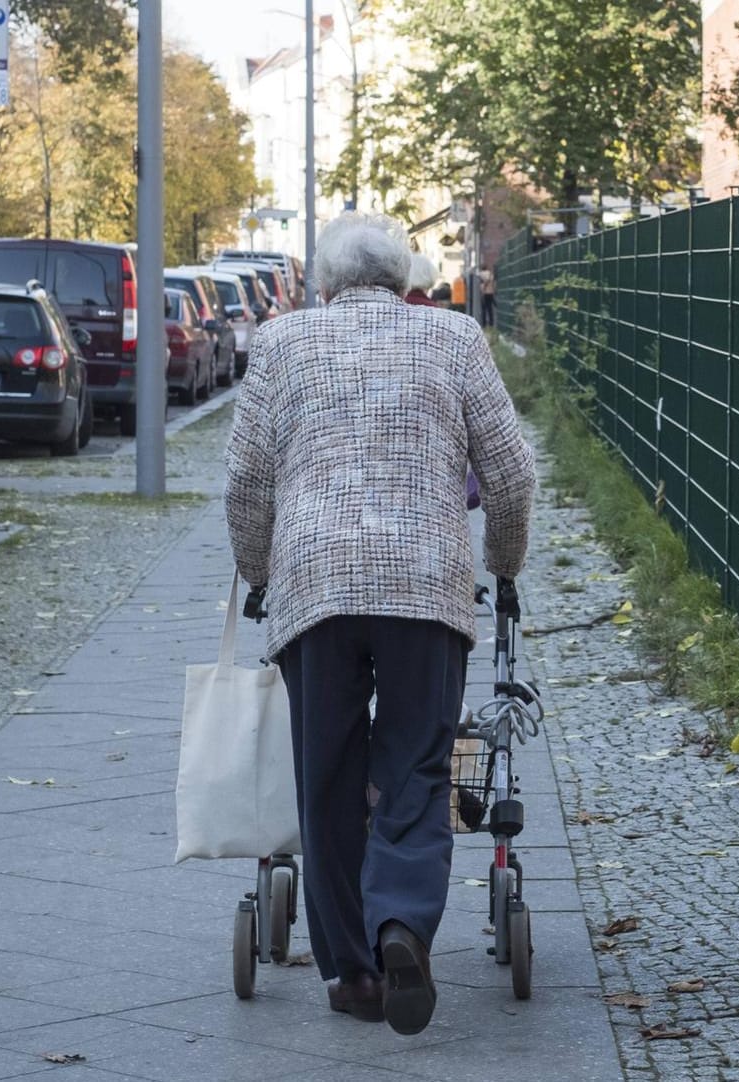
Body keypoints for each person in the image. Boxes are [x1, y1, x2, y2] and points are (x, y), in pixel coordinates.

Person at [224, 212, 536, 1035]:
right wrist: (505, 561)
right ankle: (400, 920)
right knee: (416, 763)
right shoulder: (456, 340)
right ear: (405, 281)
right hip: (427, 584)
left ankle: (356, 977)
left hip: (315, 586)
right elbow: (510, 472)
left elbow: (247, 482)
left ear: (322, 284)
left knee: (324, 776)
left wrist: (259, 572)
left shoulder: (281, 345)